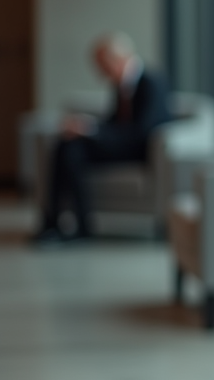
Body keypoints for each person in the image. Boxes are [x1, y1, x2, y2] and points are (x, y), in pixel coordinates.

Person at [32, 33, 172, 244]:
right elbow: (115, 121)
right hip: (119, 144)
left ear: (117, 59)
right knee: (67, 145)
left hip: (138, 149)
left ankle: (78, 227)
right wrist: (87, 127)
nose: (99, 72)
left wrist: (91, 131)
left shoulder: (152, 82)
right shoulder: (121, 85)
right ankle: (54, 223)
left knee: (72, 147)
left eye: (101, 65)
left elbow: (142, 131)